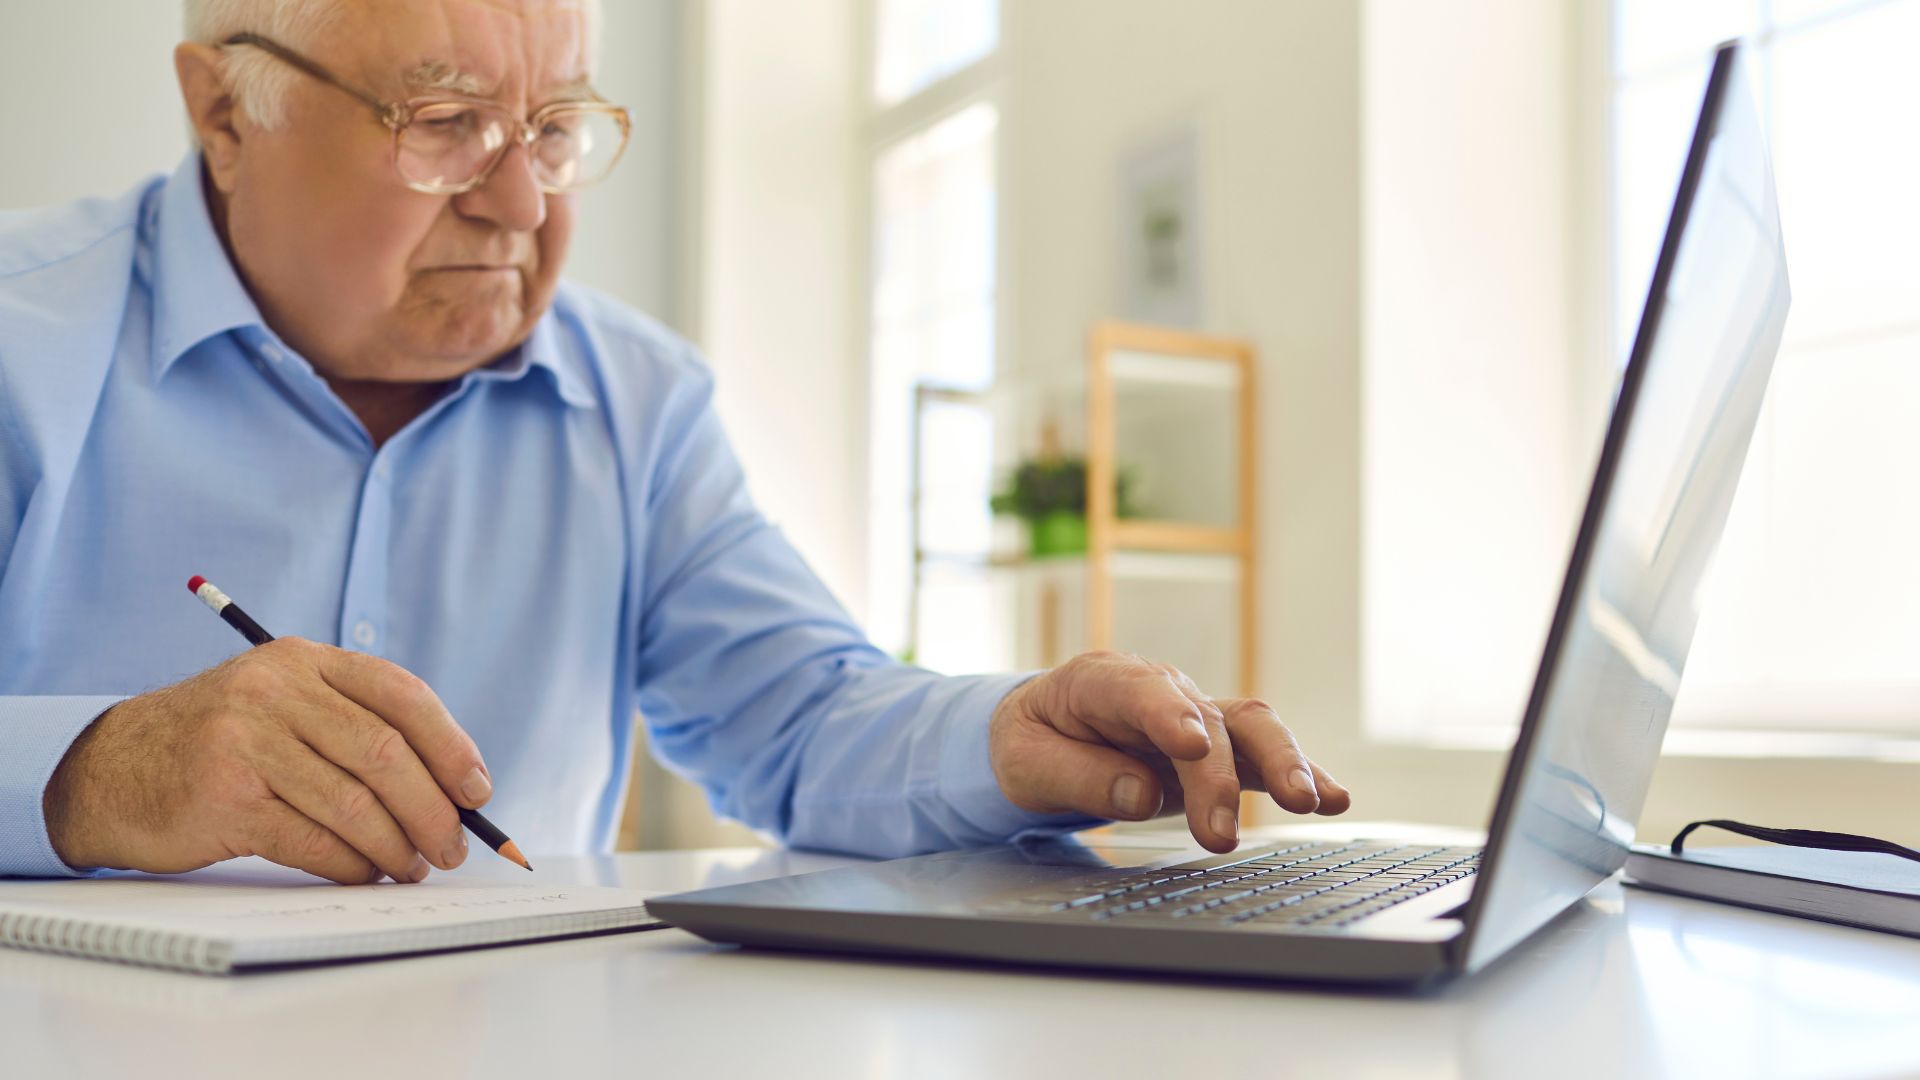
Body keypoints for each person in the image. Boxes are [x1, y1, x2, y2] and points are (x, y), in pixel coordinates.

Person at [0, 0, 1348, 885]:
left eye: (554, 126)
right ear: (226, 115)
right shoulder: (22, 345)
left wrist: (1008, 733)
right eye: (449, 125)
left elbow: (808, 721)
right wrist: (95, 773)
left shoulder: (638, 399)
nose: (524, 202)